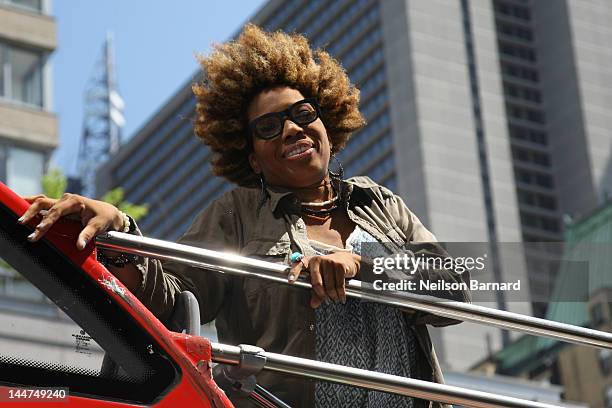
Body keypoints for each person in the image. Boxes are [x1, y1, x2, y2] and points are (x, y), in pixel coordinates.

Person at [19, 24, 470, 408]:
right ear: (252, 158)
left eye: (302, 114)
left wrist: (361, 263)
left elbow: (457, 288)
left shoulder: (381, 204)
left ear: (326, 124)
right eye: (269, 127)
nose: (292, 128)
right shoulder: (234, 215)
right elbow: (174, 305)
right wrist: (119, 231)